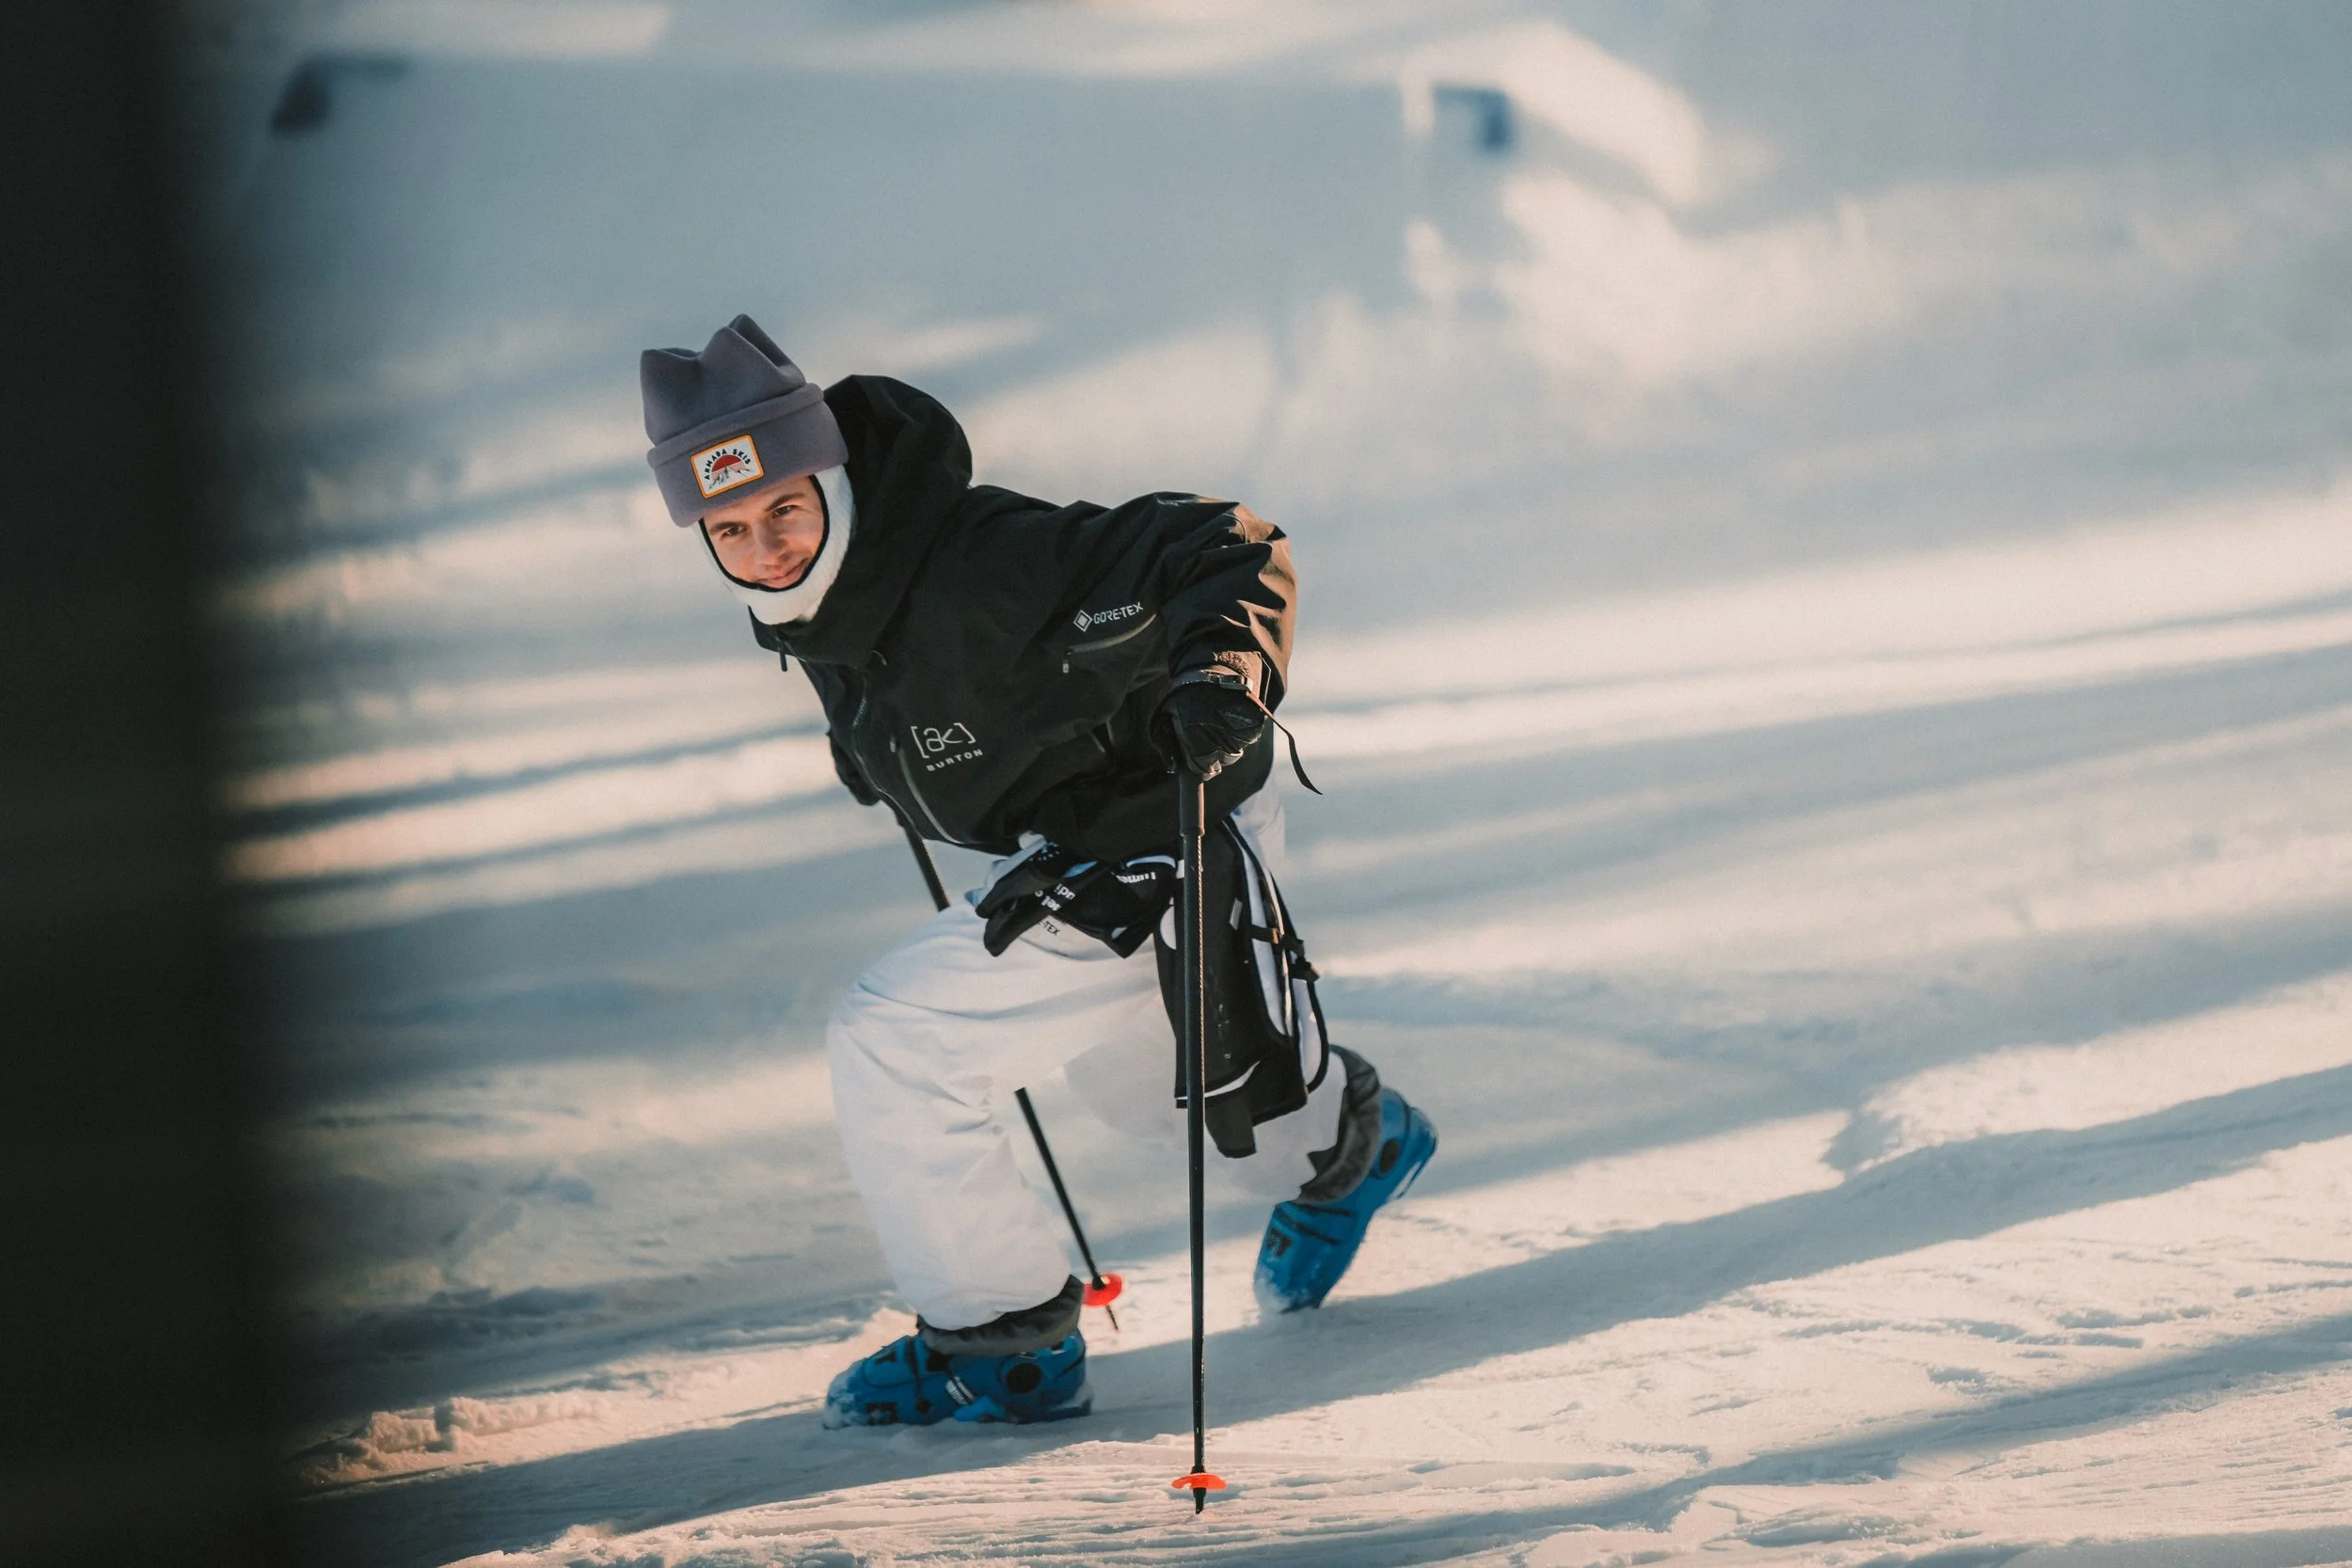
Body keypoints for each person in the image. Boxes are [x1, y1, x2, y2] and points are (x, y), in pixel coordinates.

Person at [638, 316, 1437, 1427]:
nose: (767, 547)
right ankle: (1354, 1143)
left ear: (832, 478)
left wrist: (1220, 672)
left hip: (1164, 819)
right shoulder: (826, 603)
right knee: (1149, 1096)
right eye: (729, 527)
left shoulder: (984, 560)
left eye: (784, 508)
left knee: (895, 1041)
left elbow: (1225, 544)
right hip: (1081, 840)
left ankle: (1004, 1340)